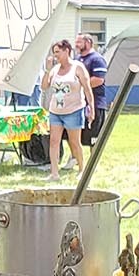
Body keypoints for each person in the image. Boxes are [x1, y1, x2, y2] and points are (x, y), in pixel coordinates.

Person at [43, 39, 95, 182]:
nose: (55, 56)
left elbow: (87, 87)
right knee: (54, 141)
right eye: (54, 53)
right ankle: (54, 173)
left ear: (67, 51)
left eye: (58, 52)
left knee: (74, 142)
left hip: (74, 110)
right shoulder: (54, 69)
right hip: (56, 111)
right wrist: (47, 70)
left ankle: (82, 170)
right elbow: (44, 86)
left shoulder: (78, 67)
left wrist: (91, 107)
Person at [74, 33, 109, 146]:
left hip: (96, 104)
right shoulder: (77, 60)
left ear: (88, 43)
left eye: (79, 42)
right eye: (76, 42)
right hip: (79, 104)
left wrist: (81, 85)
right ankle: (75, 158)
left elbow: (99, 79)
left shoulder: (97, 59)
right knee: (76, 135)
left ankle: (93, 161)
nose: (76, 45)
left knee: (94, 139)